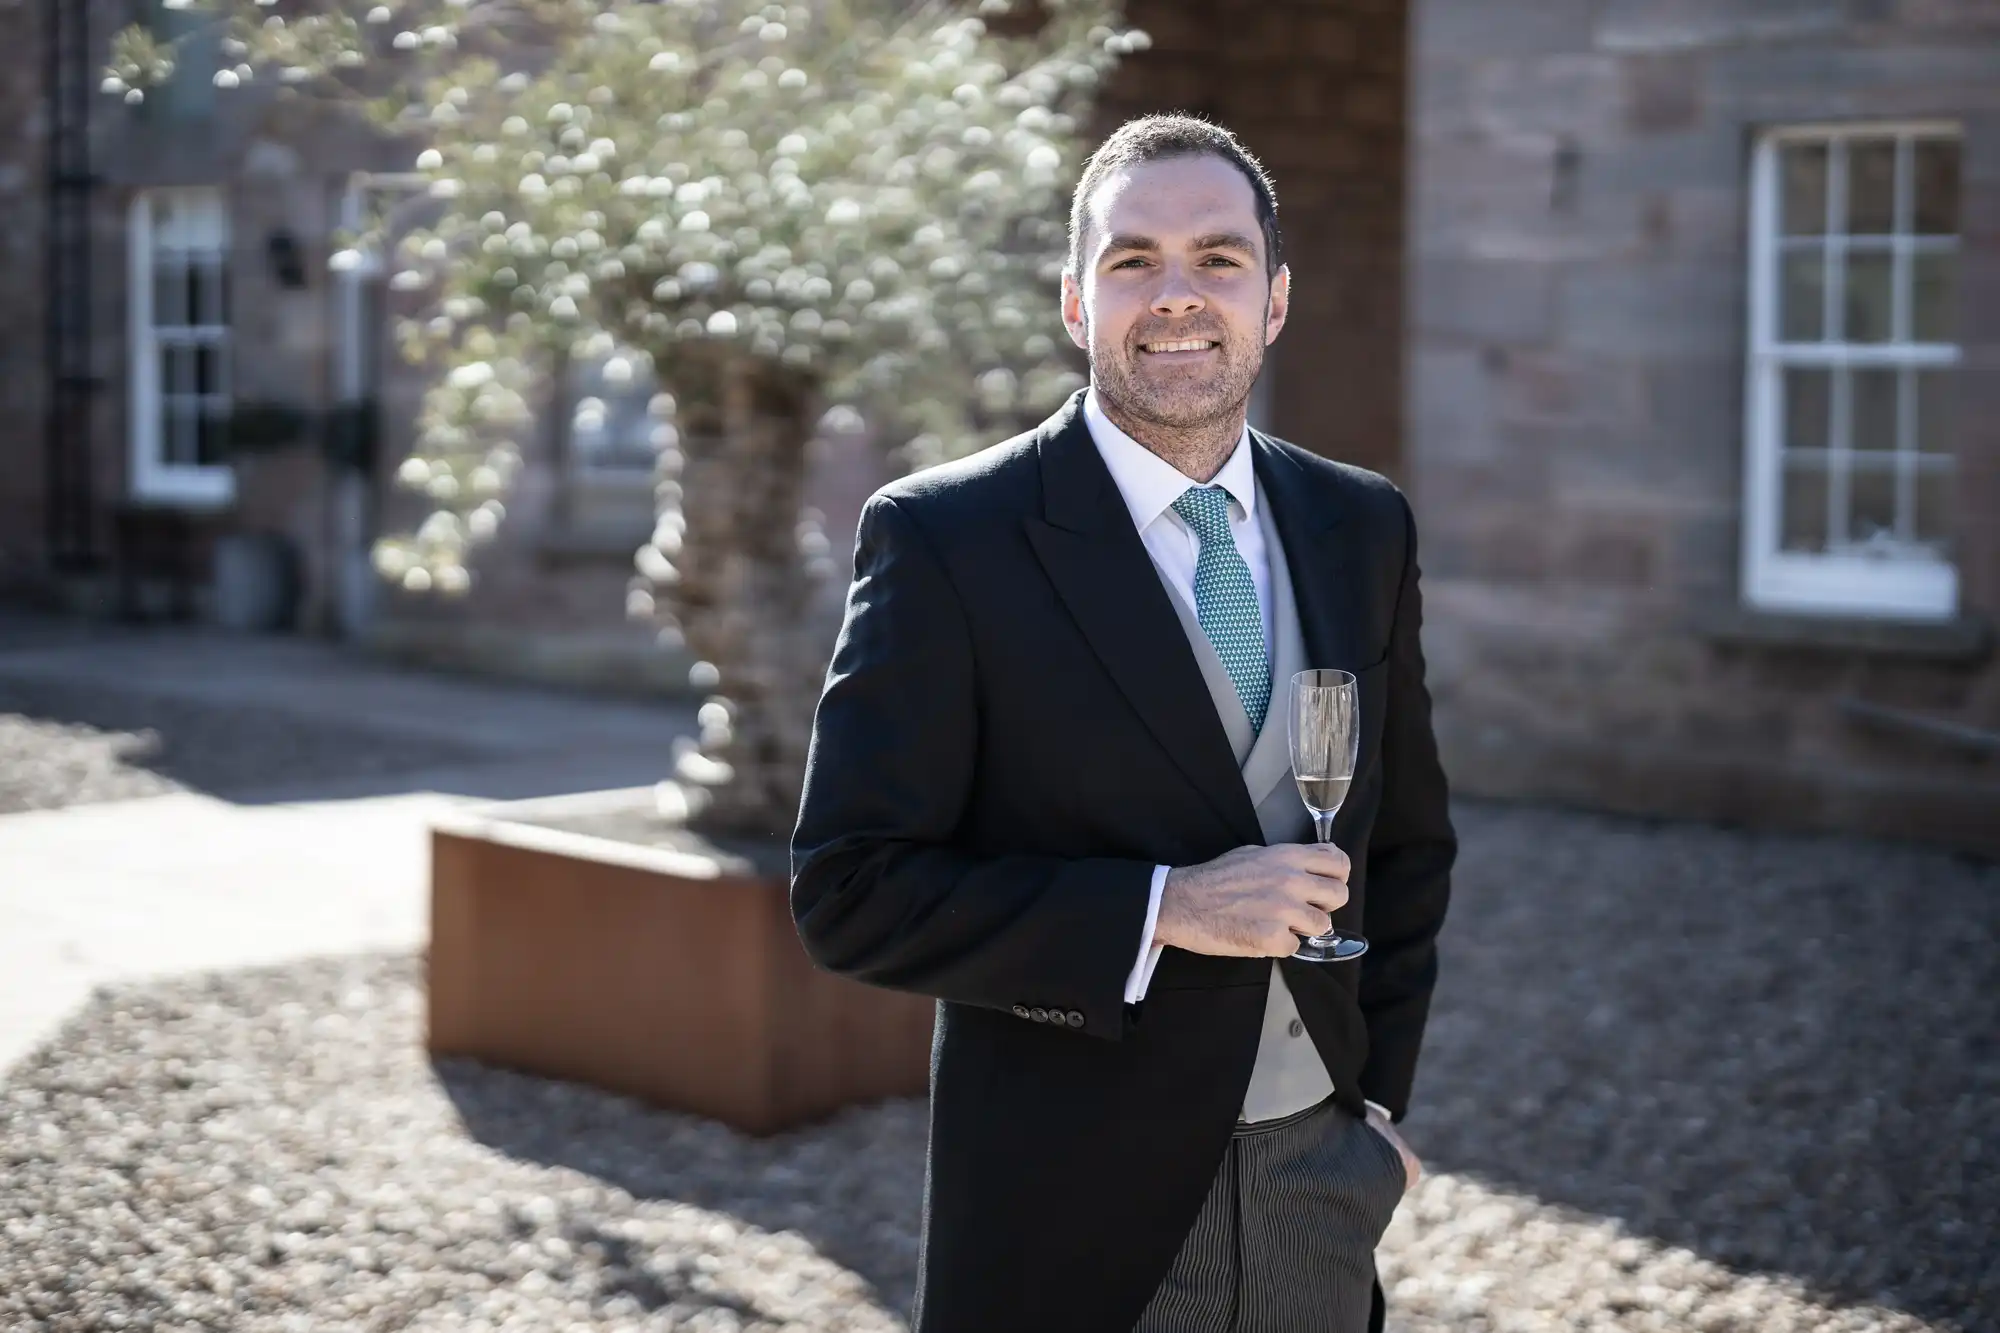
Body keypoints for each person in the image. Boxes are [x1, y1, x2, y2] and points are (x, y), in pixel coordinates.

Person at [791, 114, 1455, 1333]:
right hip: (1073, 1213)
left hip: (1322, 1188)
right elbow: (850, 891)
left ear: (1275, 300)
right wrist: (1165, 908)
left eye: (1217, 257)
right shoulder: (948, 540)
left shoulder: (1359, 525)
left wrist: (1376, 1116)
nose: (1176, 295)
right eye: (1130, 259)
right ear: (1072, 302)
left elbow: (1404, 842)